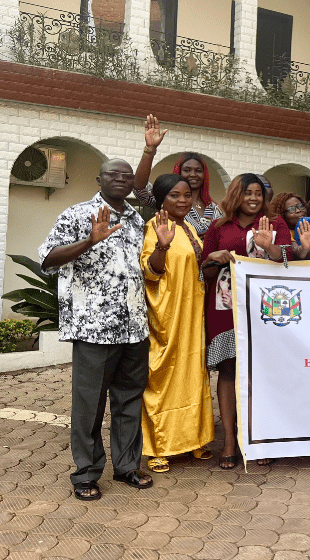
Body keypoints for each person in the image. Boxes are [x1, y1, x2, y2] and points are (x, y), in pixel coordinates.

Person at [39, 159, 153, 501]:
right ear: (98, 178)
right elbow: (47, 258)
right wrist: (89, 240)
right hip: (94, 329)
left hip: (134, 327)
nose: (120, 180)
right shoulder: (77, 214)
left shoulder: (136, 221)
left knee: (129, 400)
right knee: (89, 404)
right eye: (112, 174)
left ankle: (126, 465)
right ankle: (86, 473)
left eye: (126, 176)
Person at [201, 174, 291, 468]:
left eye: (258, 194)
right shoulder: (218, 226)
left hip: (265, 307)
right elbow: (204, 270)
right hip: (224, 307)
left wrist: (271, 248)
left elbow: (290, 262)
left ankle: (258, 436)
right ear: (235, 196)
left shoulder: (274, 224)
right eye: (247, 193)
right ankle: (229, 439)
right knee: (228, 370)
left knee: (260, 373)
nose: (253, 198)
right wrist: (212, 257)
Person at [139, 174, 214, 473]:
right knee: (163, 376)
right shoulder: (156, 227)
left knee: (193, 375)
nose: (183, 200)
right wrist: (161, 246)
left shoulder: (191, 227)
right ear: (161, 199)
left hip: (193, 312)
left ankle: (193, 440)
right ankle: (159, 446)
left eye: (187, 195)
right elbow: (151, 271)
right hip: (168, 314)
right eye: (174, 195)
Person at [134, 115, 219, 236]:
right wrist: (150, 150)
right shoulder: (168, 199)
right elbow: (139, 189)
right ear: (178, 172)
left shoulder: (215, 209)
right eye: (187, 170)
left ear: (205, 174)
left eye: (198, 170)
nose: (193, 174)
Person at [271, 192, 308, 259]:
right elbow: (297, 252)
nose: (298, 210)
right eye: (291, 209)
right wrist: (304, 248)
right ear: (282, 213)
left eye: (300, 206)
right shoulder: (285, 233)